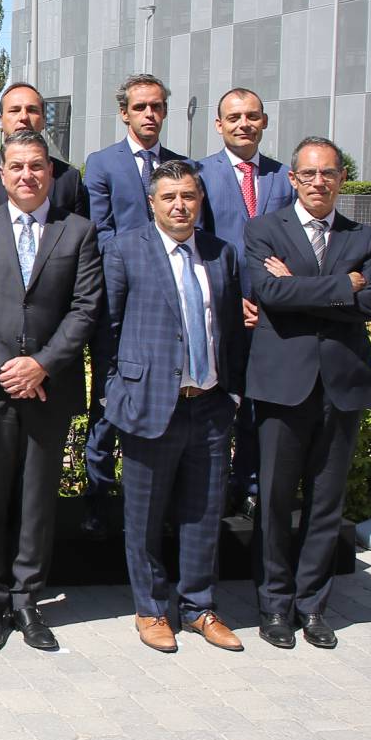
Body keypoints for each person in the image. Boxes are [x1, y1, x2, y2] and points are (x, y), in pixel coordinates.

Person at [0, 130, 102, 653]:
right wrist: (4, 365)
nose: (27, 175)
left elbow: (85, 309)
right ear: (2, 173)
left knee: (37, 499)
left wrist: (41, 365)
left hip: (47, 388)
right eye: (16, 167)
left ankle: (27, 600)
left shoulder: (77, 231)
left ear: (52, 173)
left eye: (37, 166)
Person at [244, 138, 371, 651]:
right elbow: (269, 294)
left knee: (326, 505)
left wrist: (303, 289)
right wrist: (341, 286)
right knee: (275, 501)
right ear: (292, 179)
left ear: (342, 178)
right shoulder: (264, 230)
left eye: (328, 173)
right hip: (283, 386)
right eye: (309, 174)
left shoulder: (363, 236)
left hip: (342, 388)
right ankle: (275, 605)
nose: (318, 182)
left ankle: (312, 606)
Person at [100, 159, 247, 655]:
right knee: (143, 516)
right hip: (148, 405)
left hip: (208, 405)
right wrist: (113, 392)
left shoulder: (221, 254)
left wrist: (231, 393)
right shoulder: (124, 251)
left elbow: (228, 329)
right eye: (169, 197)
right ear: (152, 202)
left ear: (200, 200)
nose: (179, 205)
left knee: (203, 513)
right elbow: (108, 331)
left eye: (187, 196)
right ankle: (151, 608)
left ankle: (199, 606)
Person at [80, 73, 185, 536]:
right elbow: (99, 231)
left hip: (168, 306)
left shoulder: (182, 167)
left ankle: (159, 503)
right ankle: (99, 499)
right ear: (124, 112)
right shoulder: (102, 164)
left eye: (157, 107)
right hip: (117, 301)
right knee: (108, 398)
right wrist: (144, 257)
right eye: (141, 107)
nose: (149, 114)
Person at [195, 88, 295, 507]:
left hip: (272, 313)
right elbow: (194, 242)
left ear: (264, 121)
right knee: (217, 405)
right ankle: (210, 491)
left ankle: (250, 487)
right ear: (219, 125)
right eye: (233, 117)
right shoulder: (199, 174)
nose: (243, 124)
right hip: (219, 311)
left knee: (259, 405)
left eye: (251, 116)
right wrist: (229, 298)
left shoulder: (284, 176)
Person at [0, 82, 87, 219]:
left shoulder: (69, 178)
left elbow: (79, 233)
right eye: (14, 110)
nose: (23, 117)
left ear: (43, 120)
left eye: (32, 110)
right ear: (1, 120)